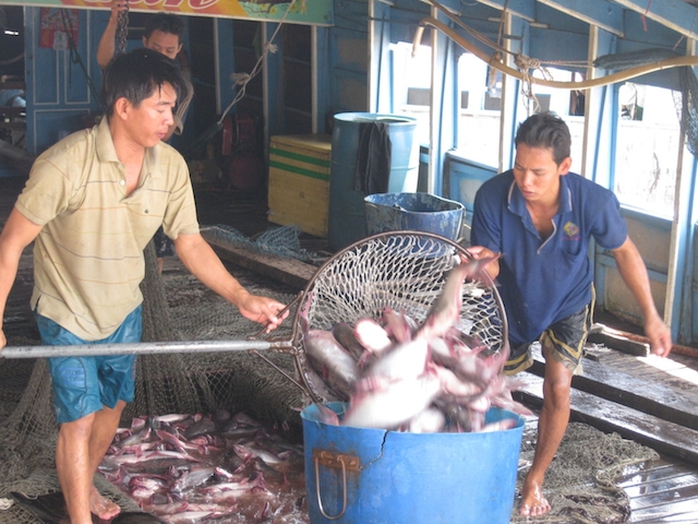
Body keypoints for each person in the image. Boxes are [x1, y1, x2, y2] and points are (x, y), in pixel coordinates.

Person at [0, 49, 288, 524]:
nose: (170, 120)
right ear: (123, 107)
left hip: (123, 307)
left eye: (173, 109)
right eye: (160, 108)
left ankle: (87, 486)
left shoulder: (171, 167)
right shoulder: (63, 165)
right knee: (78, 419)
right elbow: (10, 243)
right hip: (67, 310)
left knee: (113, 406)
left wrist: (241, 296)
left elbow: (190, 243)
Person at [469, 111, 673, 518]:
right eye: (519, 167)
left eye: (539, 172)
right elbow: (489, 268)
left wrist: (651, 316)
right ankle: (477, 465)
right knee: (483, 384)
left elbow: (626, 253)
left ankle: (535, 479)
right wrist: (481, 265)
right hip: (509, 300)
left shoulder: (592, 201)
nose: (525, 181)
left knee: (558, 387)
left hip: (568, 302)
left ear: (564, 167)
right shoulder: (491, 196)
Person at [98, 4, 188, 273]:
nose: (162, 55)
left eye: (170, 51)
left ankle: (151, 293)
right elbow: (105, 60)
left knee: (155, 245)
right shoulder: (130, 71)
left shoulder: (181, 87)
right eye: (156, 48)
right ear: (145, 42)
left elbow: (165, 131)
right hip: (113, 165)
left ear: (178, 50)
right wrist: (114, 20)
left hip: (153, 171)